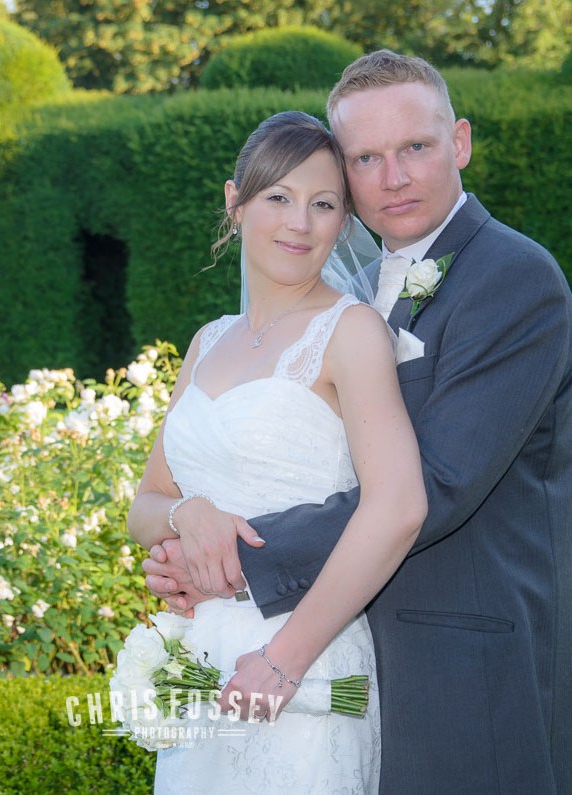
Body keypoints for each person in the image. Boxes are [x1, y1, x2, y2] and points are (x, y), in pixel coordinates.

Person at [143, 51, 572, 793]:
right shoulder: (358, 291)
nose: (392, 177)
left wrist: (230, 558)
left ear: (460, 142)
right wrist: (188, 522)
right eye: (366, 158)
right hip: (349, 654)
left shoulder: (513, 278)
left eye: (415, 147)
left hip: (466, 662)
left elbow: (435, 483)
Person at [126, 109, 427, 793]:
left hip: (302, 659)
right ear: (234, 202)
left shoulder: (348, 333)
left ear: (343, 224)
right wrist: (187, 515)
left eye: (322, 204)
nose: (298, 222)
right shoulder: (207, 340)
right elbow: (144, 505)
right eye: (277, 197)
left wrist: (283, 662)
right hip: (202, 660)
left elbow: (400, 504)